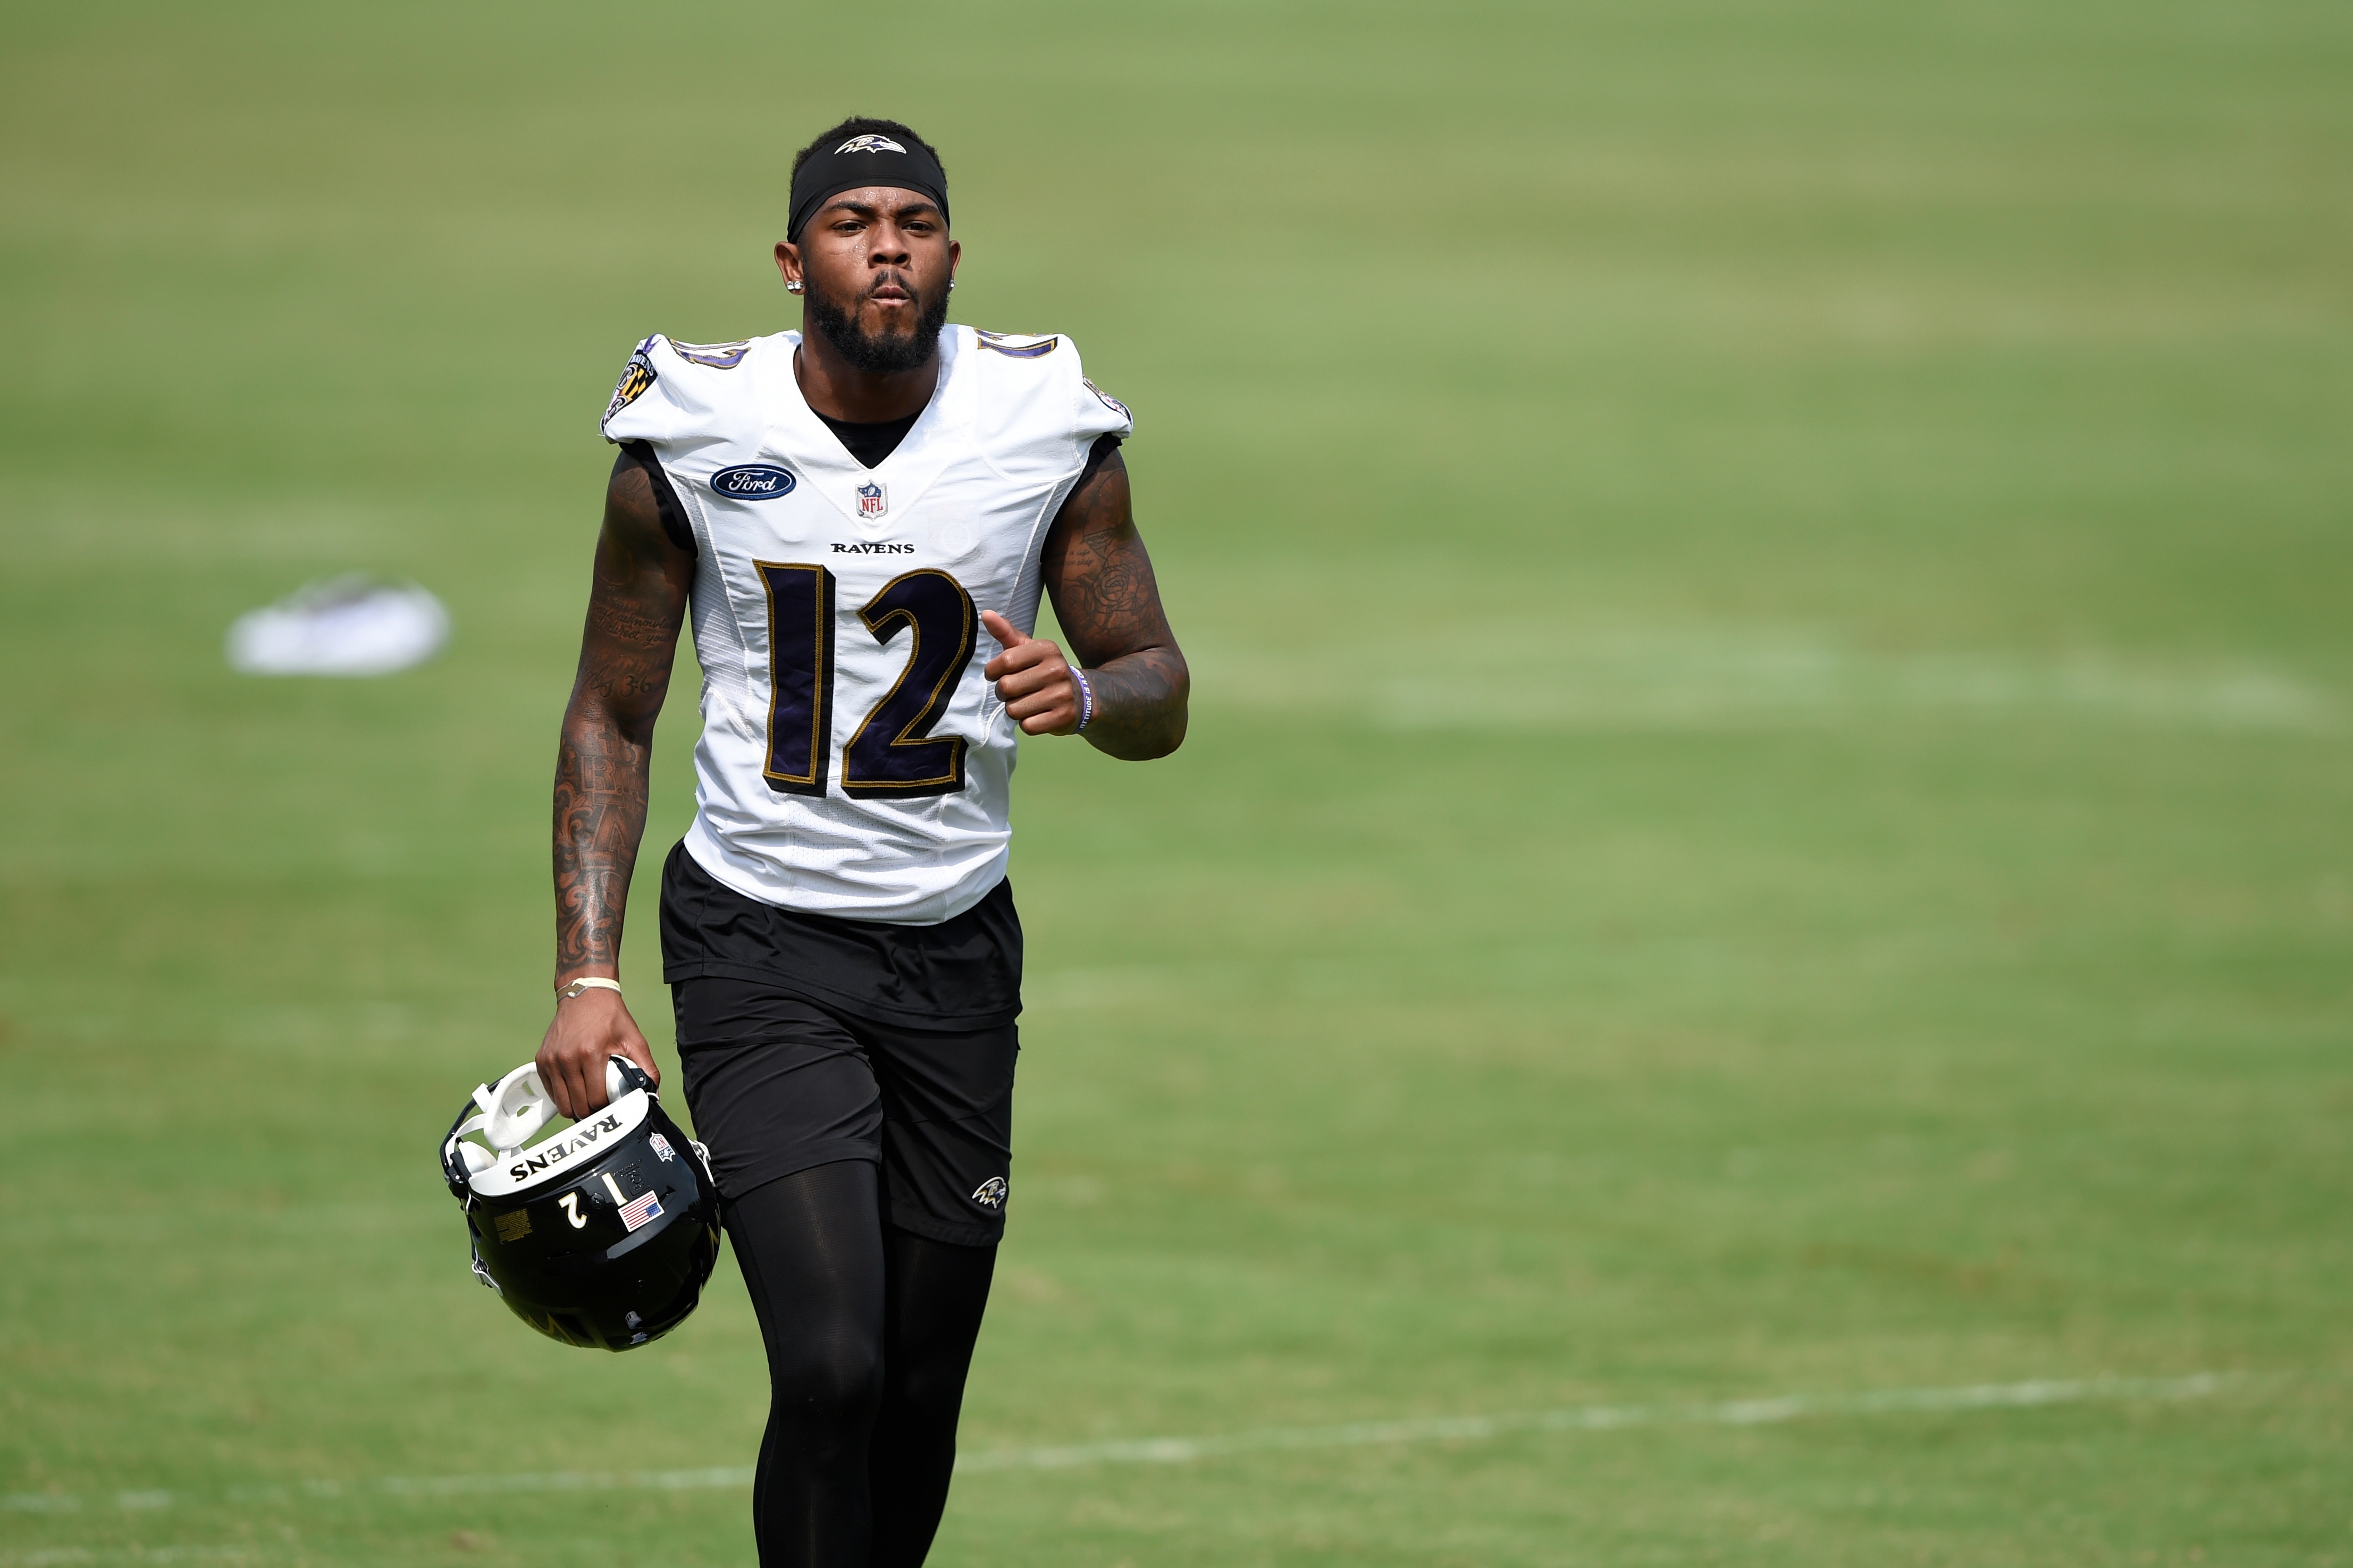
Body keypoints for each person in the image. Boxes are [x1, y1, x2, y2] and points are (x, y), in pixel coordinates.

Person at [531, 117, 1189, 1566]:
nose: (884, 246)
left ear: (952, 251)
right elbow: (612, 713)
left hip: (955, 953)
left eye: (912, 220)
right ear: (790, 259)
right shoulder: (691, 432)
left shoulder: (1045, 425)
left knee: (915, 1387)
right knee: (828, 1366)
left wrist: (1079, 692)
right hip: (760, 943)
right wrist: (589, 973)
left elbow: (1159, 688)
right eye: (849, 222)